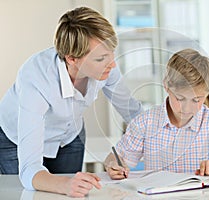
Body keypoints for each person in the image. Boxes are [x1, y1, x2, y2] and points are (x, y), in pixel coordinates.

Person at [0, 7, 142, 197]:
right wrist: (64, 184)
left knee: (74, 194)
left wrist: (119, 157)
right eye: (101, 58)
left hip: (69, 136)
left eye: (111, 54)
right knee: (25, 194)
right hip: (15, 139)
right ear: (72, 59)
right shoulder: (36, 78)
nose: (113, 64)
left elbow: (135, 115)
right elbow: (29, 170)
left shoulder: (107, 67)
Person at [104, 48, 209, 180]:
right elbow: (116, 157)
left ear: (206, 93)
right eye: (180, 98)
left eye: (196, 100)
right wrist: (113, 164)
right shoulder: (145, 123)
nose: (187, 108)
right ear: (166, 86)